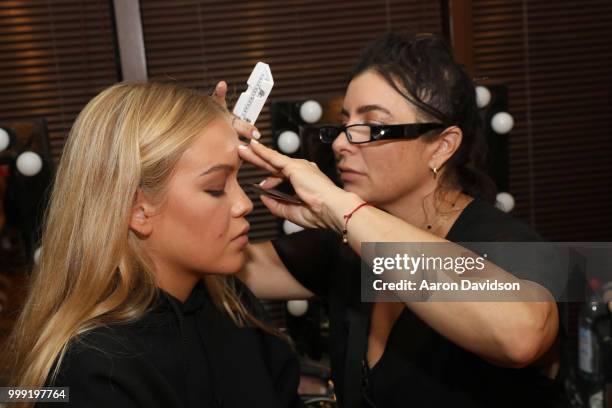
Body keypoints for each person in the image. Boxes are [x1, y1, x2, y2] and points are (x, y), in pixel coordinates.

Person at [216, 32, 565, 407]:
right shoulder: (348, 247)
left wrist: (340, 207)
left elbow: (520, 334)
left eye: (373, 127)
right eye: (346, 122)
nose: (340, 144)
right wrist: (211, 164)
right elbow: (223, 269)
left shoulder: (503, 242)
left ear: (442, 145)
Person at [1, 82, 302, 408]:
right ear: (138, 210)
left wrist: (350, 215)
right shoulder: (96, 372)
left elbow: (366, 272)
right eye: (216, 187)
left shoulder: (234, 306)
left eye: (365, 127)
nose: (245, 203)